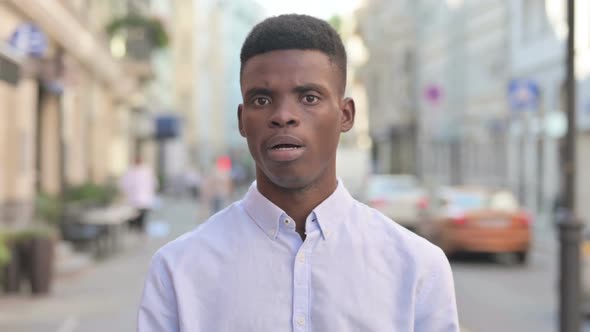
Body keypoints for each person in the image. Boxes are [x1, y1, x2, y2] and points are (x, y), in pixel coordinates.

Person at [138, 14, 459, 331]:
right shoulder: (179, 269)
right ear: (241, 120)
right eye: (261, 99)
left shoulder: (418, 266)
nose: (283, 116)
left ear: (345, 115)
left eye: (309, 97)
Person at [119, 155, 157, 232]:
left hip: (144, 199)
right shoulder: (130, 171)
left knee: (142, 216)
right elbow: (124, 183)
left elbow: (153, 183)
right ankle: (133, 228)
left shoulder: (146, 171)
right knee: (132, 216)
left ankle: (140, 229)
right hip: (133, 199)